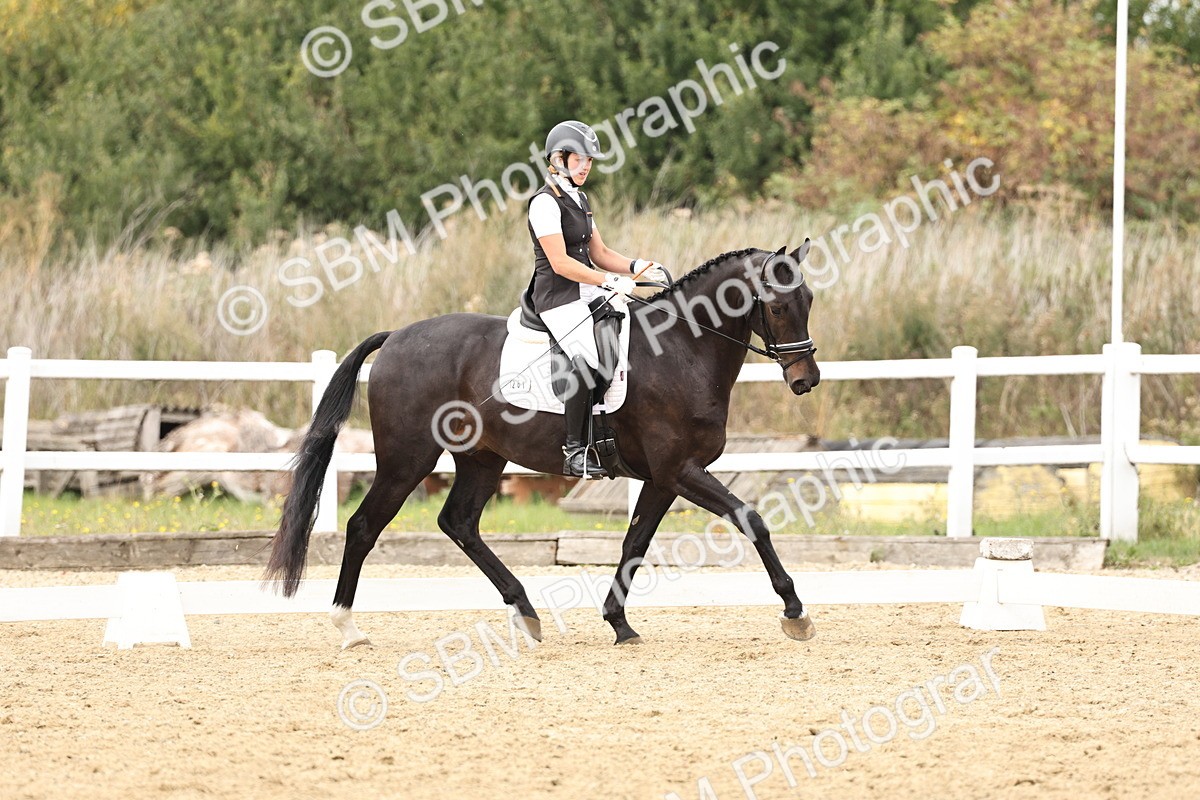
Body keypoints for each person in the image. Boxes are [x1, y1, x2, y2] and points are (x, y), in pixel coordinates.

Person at [526, 120, 668, 477]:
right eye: (581, 159)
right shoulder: (544, 204)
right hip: (558, 298)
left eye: (590, 160)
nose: (587, 166)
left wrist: (638, 266)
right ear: (559, 158)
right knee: (590, 357)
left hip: (588, 289)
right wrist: (609, 282)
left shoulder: (579, 198)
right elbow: (560, 263)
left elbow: (600, 251)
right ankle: (575, 450)